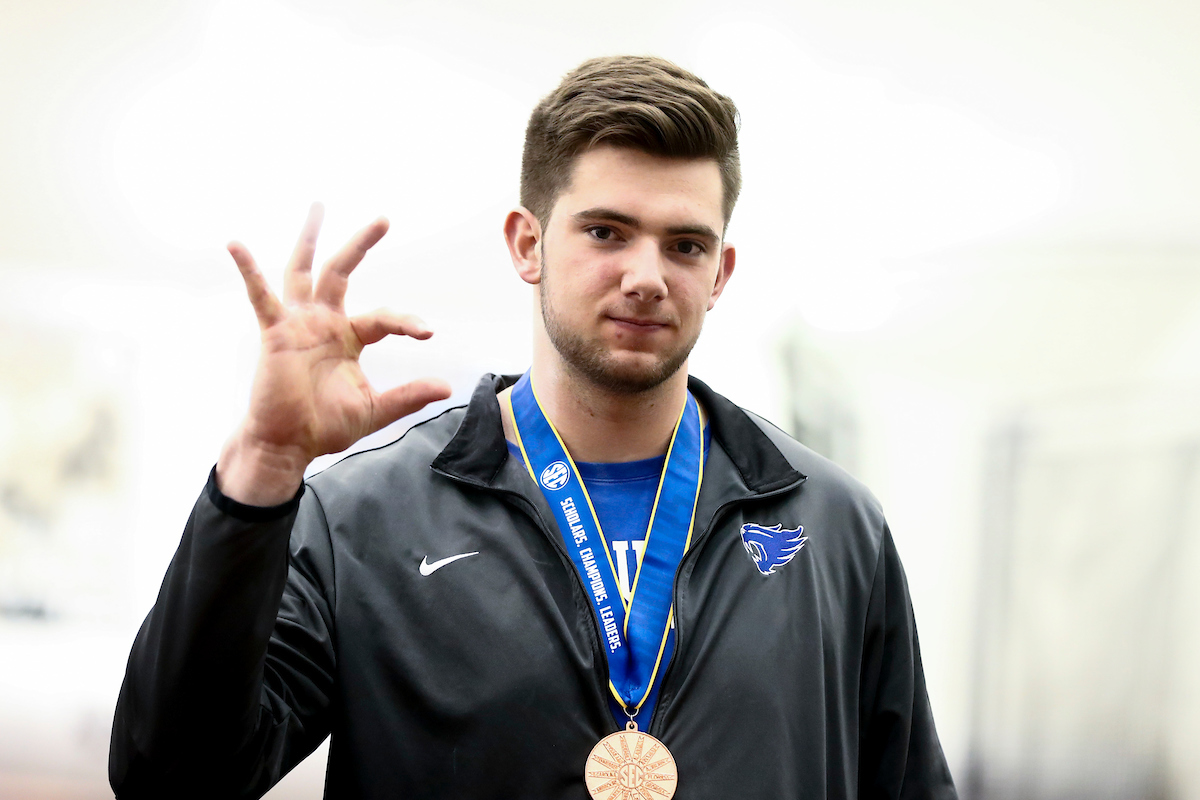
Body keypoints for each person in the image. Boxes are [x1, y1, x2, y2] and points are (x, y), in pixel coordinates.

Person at [109, 56, 957, 800]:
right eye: (605, 232)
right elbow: (173, 778)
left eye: (686, 245)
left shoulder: (834, 524)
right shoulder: (364, 520)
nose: (647, 277)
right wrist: (262, 466)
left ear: (721, 271)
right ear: (527, 244)